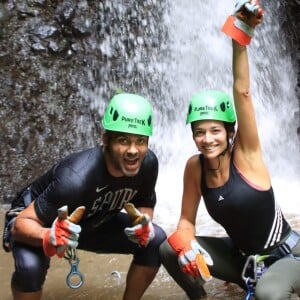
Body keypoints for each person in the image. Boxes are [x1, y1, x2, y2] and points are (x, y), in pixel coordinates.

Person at [159, 1, 300, 300]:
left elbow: (242, 92)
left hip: (286, 256)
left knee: (269, 294)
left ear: (230, 132)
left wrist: (240, 37)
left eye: (215, 131)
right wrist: (185, 242)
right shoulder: (194, 167)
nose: (207, 139)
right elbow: (186, 220)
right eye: (199, 132)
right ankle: (200, 298)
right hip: (243, 261)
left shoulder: (246, 154)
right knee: (168, 248)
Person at [2, 92, 166, 300]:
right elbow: (20, 225)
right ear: (106, 140)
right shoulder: (76, 179)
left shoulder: (148, 164)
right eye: (123, 140)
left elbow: (144, 202)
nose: (133, 151)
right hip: (37, 221)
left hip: (92, 220)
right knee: (30, 268)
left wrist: (144, 222)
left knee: (155, 240)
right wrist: (49, 237)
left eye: (140, 141)